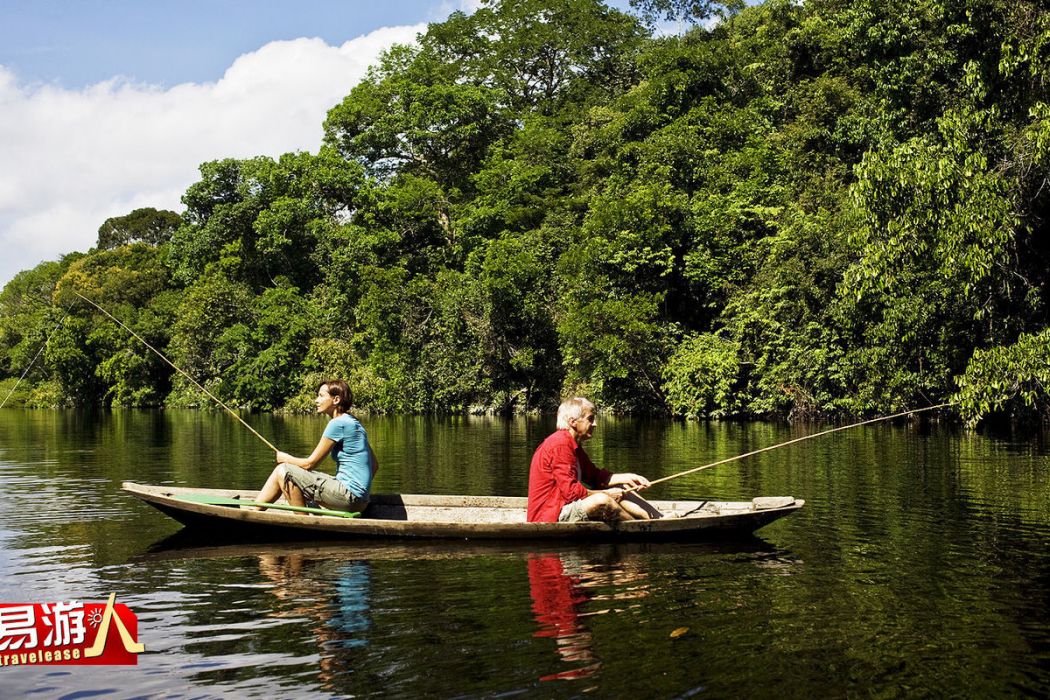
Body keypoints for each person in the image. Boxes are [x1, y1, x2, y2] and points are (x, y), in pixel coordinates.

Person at [526, 397, 660, 523]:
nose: (595, 424)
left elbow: (595, 477)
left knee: (621, 487)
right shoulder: (560, 444)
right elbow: (572, 493)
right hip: (550, 515)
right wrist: (607, 494)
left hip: (563, 508)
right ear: (573, 422)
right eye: (590, 419)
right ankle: (637, 528)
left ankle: (658, 520)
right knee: (603, 500)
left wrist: (629, 477)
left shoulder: (573, 445)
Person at [256, 379, 377, 514]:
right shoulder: (354, 423)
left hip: (348, 498)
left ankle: (299, 522)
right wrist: (360, 492)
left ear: (336, 399)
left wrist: (286, 458)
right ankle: (255, 511)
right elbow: (374, 465)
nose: (316, 400)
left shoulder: (337, 424)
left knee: (284, 470)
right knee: (293, 476)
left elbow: (310, 464)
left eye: (321, 396)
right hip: (361, 501)